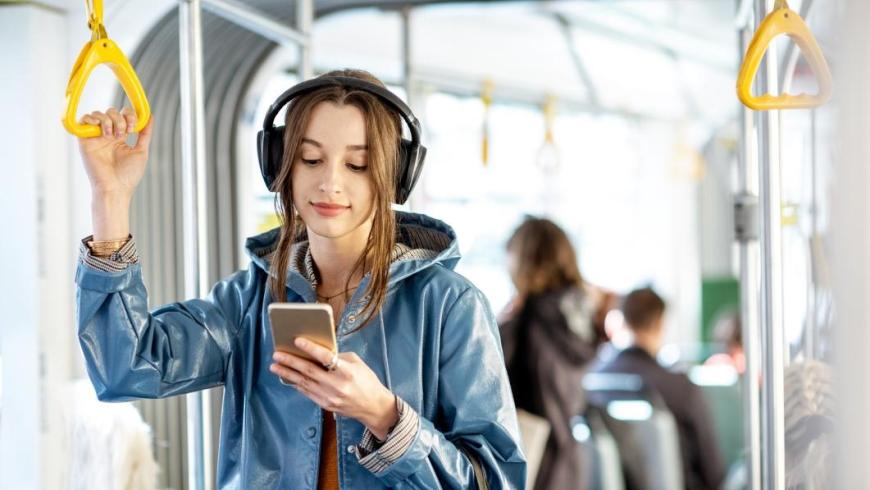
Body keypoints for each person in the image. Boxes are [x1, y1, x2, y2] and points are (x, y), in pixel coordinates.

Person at [74, 69, 526, 488]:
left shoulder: (450, 306)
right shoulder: (249, 299)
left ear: (393, 177)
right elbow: (125, 368)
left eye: (357, 165)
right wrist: (109, 199)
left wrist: (384, 415)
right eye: (310, 159)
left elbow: (496, 480)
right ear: (281, 166)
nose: (329, 182)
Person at [498, 217, 604, 490]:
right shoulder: (582, 314)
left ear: (523, 261)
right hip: (570, 461)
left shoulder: (526, 322)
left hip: (528, 458)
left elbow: (488, 380)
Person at [591, 287, 725, 490]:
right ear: (659, 323)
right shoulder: (680, 388)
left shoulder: (594, 380)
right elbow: (713, 473)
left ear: (622, 320)